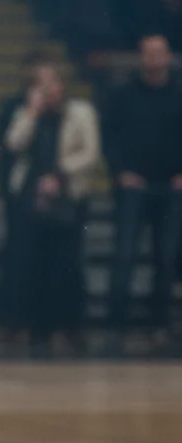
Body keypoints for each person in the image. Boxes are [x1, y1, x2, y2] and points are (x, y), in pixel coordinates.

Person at [3, 62, 100, 352]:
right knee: (33, 264)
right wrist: (32, 113)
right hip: (32, 198)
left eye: (51, 82)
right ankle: (36, 328)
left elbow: (90, 153)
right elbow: (13, 143)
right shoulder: (28, 112)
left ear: (63, 84)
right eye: (39, 84)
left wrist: (59, 172)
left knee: (66, 263)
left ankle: (67, 327)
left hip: (69, 195)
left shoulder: (81, 112)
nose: (46, 89)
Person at [104, 34, 182, 349]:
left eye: (158, 53)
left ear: (168, 57)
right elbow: (109, 136)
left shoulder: (179, 93)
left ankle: (158, 326)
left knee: (165, 258)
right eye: (147, 53)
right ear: (140, 57)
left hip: (171, 188)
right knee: (124, 256)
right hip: (132, 187)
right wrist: (121, 172)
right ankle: (117, 327)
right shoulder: (122, 95)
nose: (153, 59)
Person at [0, 50, 49, 341]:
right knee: (19, 258)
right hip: (21, 193)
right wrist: (31, 111)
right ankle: (17, 321)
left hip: (54, 195)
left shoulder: (64, 111)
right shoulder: (15, 108)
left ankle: (45, 323)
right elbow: (10, 147)